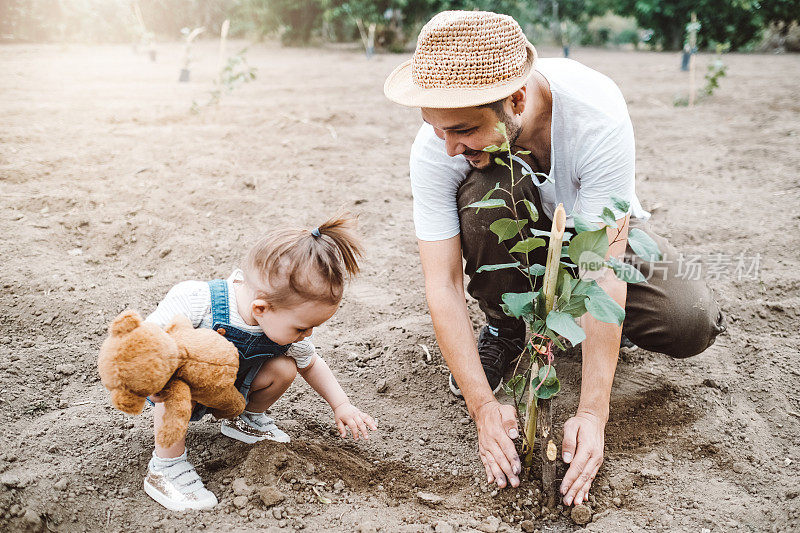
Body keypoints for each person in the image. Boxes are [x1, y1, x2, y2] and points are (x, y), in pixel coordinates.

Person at [384, 11, 725, 506]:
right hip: (512, 240)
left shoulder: (596, 112)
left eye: (463, 130)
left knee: (690, 319)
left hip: (591, 237)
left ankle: (588, 329)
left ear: (516, 99)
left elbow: (600, 269)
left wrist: (592, 414)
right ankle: (506, 324)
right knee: (486, 190)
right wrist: (483, 407)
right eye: (436, 129)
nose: (449, 146)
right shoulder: (440, 144)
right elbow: (442, 284)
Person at [142, 214, 377, 511]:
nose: (308, 334)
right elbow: (146, 342)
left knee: (285, 367)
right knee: (173, 383)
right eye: (302, 327)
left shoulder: (288, 323)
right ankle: (166, 467)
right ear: (261, 308)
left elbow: (310, 363)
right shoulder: (197, 301)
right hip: (183, 392)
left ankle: (244, 419)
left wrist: (341, 405)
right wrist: (151, 378)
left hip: (231, 393)